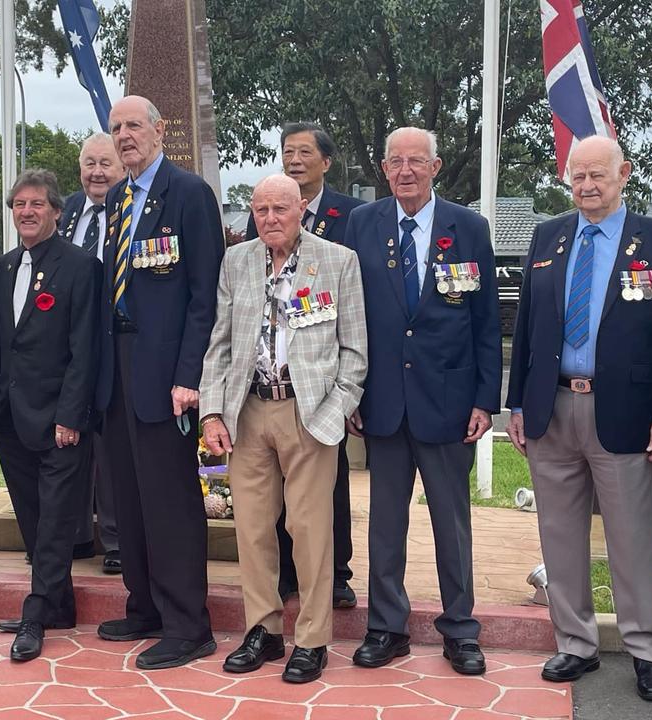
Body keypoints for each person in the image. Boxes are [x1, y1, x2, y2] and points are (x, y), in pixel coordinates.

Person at [505, 135, 652, 701]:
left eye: (597, 175)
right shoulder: (548, 237)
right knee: (558, 534)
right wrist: (516, 404)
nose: (586, 185)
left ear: (623, 174)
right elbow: (527, 330)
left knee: (631, 537)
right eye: (576, 176)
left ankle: (646, 651)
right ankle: (575, 644)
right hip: (551, 408)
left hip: (625, 412)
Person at [344, 127, 500, 676]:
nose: (405, 170)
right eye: (395, 162)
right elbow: (350, 316)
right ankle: (387, 627)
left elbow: (486, 321)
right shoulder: (362, 224)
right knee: (385, 524)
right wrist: (352, 391)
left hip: (449, 401)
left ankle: (460, 630)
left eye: (416, 161)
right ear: (384, 169)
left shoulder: (470, 227)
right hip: (383, 401)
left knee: (451, 525)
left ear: (435, 167)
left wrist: (486, 398)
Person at [200, 174, 368, 683]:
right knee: (252, 529)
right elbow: (220, 344)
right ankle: (264, 630)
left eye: (280, 209)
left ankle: (312, 638)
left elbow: (354, 352)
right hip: (247, 411)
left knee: (310, 529)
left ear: (301, 211)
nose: (270, 219)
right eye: (261, 209)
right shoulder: (237, 261)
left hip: (308, 412)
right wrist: (211, 412)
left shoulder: (338, 261)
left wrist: (334, 412)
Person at [93, 95, 224, 669]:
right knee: (128, 497)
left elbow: (205, 296)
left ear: (159, 129)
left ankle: (188, 625)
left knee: (170, 501)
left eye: (133, 126)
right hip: (118, 366)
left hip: (168, 375)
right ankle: (144, 605)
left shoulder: (188, 194)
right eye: (116, 128)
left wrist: (189, 375)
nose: (124, 136)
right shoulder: (118, 198)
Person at [245, 122, 365, 608]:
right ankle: (282, 581)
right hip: (261, 398)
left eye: (304, 152)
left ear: (326, 161)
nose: (294, 159)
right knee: (268, 507)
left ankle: (335, 573)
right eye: (287, 152)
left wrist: (347, 397)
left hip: (320, 388)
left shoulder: (350, 218)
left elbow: (356, 318)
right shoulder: (250, 244)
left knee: (324, 496)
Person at [0, 169, 101, 661]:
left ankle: (35, 615)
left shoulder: (81, 268)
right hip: (10, 417)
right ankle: (60, 605)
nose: (27, 212)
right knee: (32, 518)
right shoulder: (6, 266)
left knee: (55, 520)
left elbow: (84, 350)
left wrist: (71, 415)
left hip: (60, 419)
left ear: (57, 211)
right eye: (19, 205)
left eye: (36, 204)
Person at [57, 132, 126, 573]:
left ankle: (117, 539)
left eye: (106, 163)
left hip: (115, 342)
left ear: (121, 169)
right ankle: (76, 533)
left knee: (109, 444)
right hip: (63, 342)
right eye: (89, 163)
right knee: (66, 441)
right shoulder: (62, 210)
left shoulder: (130, 209)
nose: (97, 172)